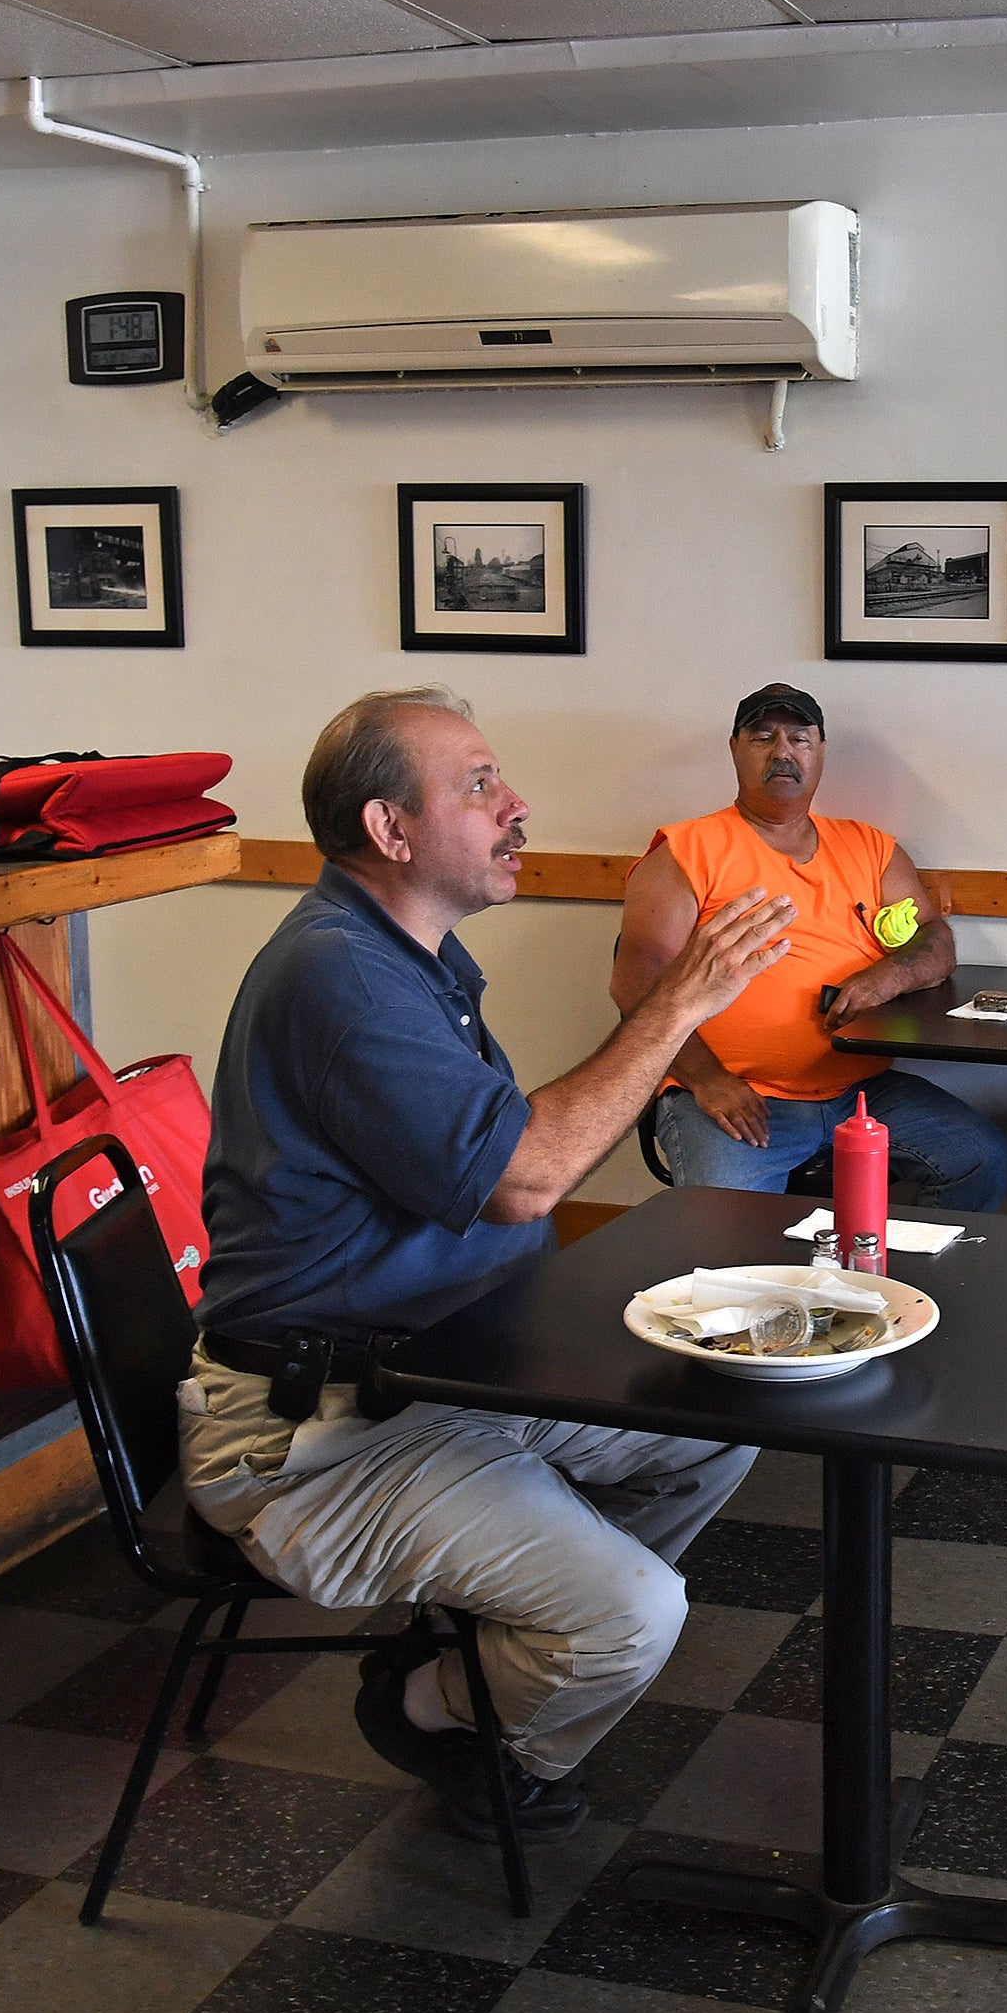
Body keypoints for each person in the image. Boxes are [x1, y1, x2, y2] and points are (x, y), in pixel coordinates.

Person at [184, 686, 797, 1841]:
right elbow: (522, 1176)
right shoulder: (343, 977)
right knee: (630, 1613)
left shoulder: (412, 957)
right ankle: (444, 1707)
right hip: (315, 1430)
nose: (517, 806)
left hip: (447, 1376)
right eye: (478, 786)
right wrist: (679, 1009)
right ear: (390, 831)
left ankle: (510, 1635)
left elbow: (504, 1168)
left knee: (725, 1412)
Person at [613, 683, 1007, 1210]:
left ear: (820, 753)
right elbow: (634, 984)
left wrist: (887, 976)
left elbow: (935, 940)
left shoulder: (871, 848)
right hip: (733, 1097)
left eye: (799, 739)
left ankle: (881, 1283)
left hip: (862, 1094)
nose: (782, 752)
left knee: (982, 1159)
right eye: (762, 738)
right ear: (734, 749)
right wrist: (707, 1079)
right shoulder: (687, 850)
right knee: (722, 1237)